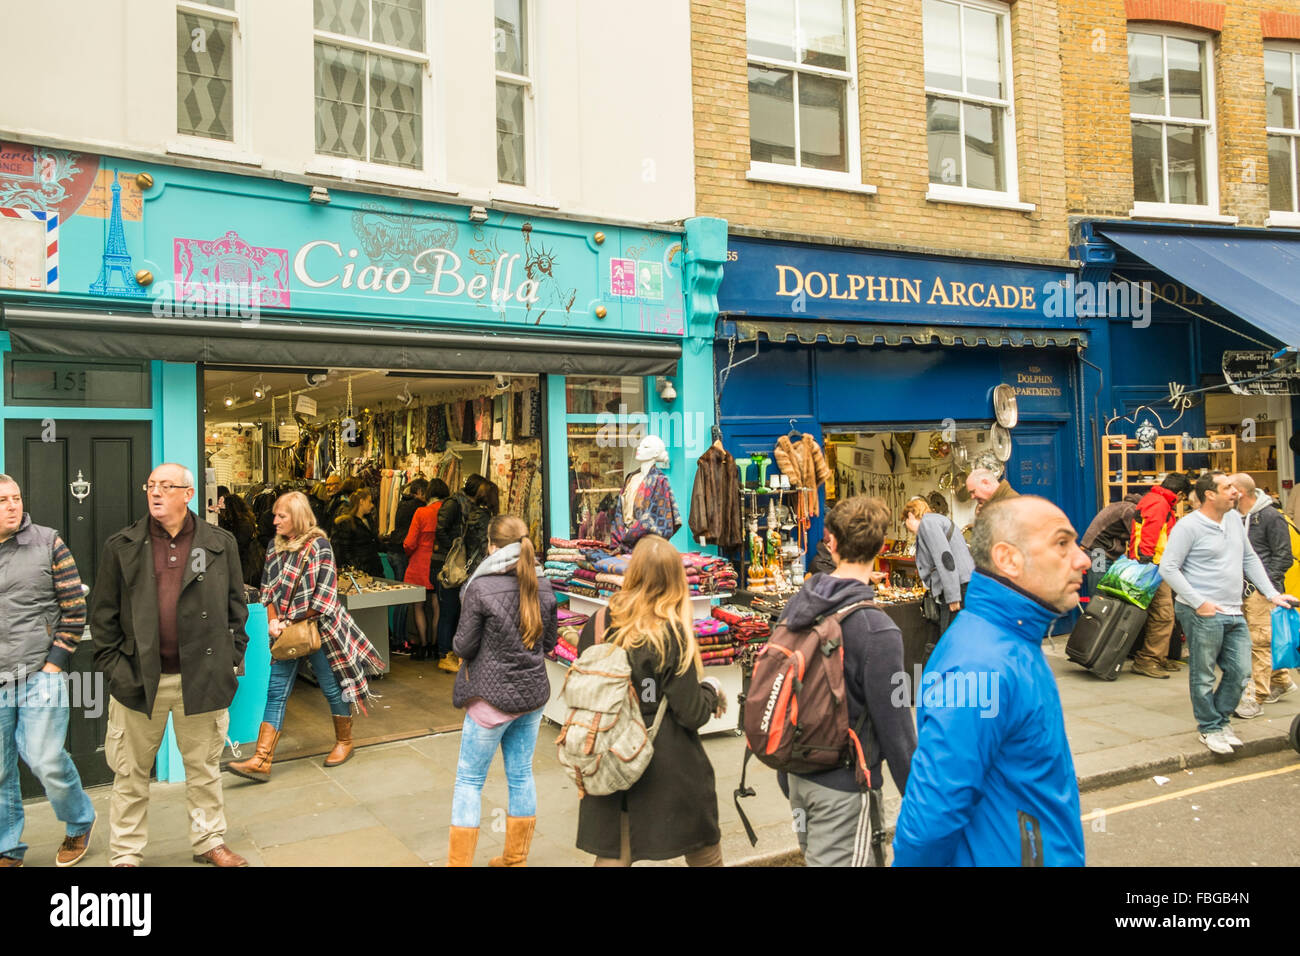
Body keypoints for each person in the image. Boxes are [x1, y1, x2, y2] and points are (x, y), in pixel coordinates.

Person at [893, 496, 1090, 866]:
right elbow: (932, 815)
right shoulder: (980, 664)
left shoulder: (1012, 641)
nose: (1083, 559)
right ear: (1008, 558)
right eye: (1062, 544)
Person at [90, 463, 250, 867]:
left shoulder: (219, 543)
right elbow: (103, 617)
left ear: (188, 493)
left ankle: (208, 841)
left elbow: (236, 607)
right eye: (151, 486)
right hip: (138, 680)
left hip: (203, 677)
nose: (156, 492)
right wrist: (116, 668)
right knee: (129, 774)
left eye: (166, 486)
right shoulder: (121, 545)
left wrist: (232, 658)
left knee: (204, 769)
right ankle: (125, 854)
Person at [779, 496, 916, 866]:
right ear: (882, 547)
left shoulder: (795, 607)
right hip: (846, 787)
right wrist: (920, 803)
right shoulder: (878, 629)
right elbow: (897, 727)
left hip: (796, 777)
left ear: (831, 542)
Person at [575, 535, 726, 867]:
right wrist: (711, 690)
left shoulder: (598, 623)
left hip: (609, 750)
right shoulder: (670, 633)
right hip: (665, 760)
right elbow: (691, 713)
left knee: (615, 850)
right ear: (675, 578)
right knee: (704, 850)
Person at [227, 491, 384, 782]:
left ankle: (345, 742)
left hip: (321, 631)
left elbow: (324, 600)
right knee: (276, 692)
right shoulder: (274, 549)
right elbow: (268, 591)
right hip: (288, 632)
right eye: (274, 515)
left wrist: (286, 622)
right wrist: (273, 621)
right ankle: (262, 759)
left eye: (281, 516)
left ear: (297, 517)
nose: (274, 521)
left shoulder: (319, 546)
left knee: (331, 688)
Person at [1157, 472, 1297, 754]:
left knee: (1240, 671)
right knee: (1204, 673)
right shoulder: (1188, 527)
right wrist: (1199, 602)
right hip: (1202, 612)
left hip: (1235, 609)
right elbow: (1168, 568)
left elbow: (1249, 558)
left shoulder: (1234, 519)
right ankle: (1210, 728)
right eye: (1228, 487)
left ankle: (1220, 721)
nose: (1236, 491)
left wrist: (1271, 594)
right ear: (1210, 494)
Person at [446, 515, 558, 867]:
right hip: (532, 696)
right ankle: (515, 859)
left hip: (490, 701)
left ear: (492, 546)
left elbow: (462, 647)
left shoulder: (480, 588)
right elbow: (550, 643)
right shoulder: (544, 584)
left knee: (469, 780)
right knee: (521, 773)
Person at [0, 475, 96, 868]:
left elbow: (74, 607)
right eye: (2, 500)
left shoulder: (48, 542)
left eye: (16, 498)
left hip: (40, 670)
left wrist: (56, 662)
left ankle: (78, 823)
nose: (12, 505)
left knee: (44, 758)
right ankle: (7, 847)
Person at [1230, 473, 1298, 712]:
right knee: (1260, 640)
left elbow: (1284, 557)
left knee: (1258, 643)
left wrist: (1265, 587)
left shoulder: (1270, 516)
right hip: (1243, 590)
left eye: (1230, 488)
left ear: (1241, 492)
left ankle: (1256, 697)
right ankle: (1280, 680)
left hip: (1262, 592)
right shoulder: (1234, 517)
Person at [1127, 473, 1191, 679]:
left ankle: (1158, 657)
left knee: (1160, 615)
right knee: (1164, 615)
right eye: (1182, 497)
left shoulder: (1153, 499)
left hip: (1152, 564)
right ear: (1180, 493)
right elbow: (1151, 530)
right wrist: (1146, 558)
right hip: (1153, 566)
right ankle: (1148, 660)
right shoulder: (1160, 503)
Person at [433, 475, 496, 674]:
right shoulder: (455, 504)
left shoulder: (470, 508)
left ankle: (450, 653)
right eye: (482, 490)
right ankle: (444, 654)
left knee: (455, 611)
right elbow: (441, 530)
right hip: (451, 563)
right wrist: (455, 547)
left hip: (460, 563)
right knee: (449, 610)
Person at [904, 496, 975, 635]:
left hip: (957, 587)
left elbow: (945, 558)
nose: (907, 528)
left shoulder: (927, 523)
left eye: (904, 522)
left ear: (910, 516)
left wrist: (953, 596)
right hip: (962, 584)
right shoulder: (937, 520)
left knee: (950, 638)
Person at [403, 478, 449, 660]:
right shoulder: (447, 512)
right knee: (438, 606)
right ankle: (435, 645)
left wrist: (408, 552)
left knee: (419, 606)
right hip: (440, 564)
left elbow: (409, 542)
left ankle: (423, 646)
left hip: (419, 565)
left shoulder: (421, 512)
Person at [385, 478, 429, 654]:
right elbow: (411, 539)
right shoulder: (418, 508)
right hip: (402, 552)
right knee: (403, 599)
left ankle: (398, 638)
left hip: (392, 550)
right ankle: (399, 641)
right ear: (419, 492)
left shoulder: (403, 503)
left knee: (399, 598)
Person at [1079, 492, 1142, 595]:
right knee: (1099, 593)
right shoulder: (1130, 510)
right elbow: (1136, 537)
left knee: (1101, 591)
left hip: (1098, 549)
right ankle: (1097, 611)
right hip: (1098, 551)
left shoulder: (1121, 505)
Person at [331, 487, 384, 577]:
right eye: (369, 501)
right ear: (361, 501)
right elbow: (345, 551)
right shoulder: (347, 523)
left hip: (374, 569)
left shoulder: (368, 520)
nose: (372, 505)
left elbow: (374, 544)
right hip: (360, 572)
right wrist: (357, 568)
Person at [219, 491, 264, 589]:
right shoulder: (242, 521)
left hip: (246, 563)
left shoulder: (243, 524)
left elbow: (238, 544)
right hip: (244, 562)